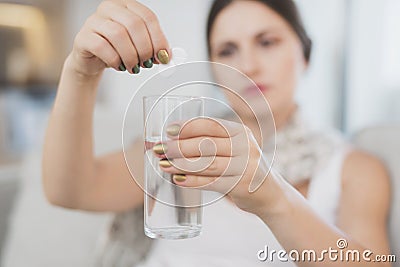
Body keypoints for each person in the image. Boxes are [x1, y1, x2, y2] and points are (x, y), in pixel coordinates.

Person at [42, 0, 392, 266]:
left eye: (267, 42)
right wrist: (79, 73)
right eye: (227, 50)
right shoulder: (178, 143)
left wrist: (274, 198)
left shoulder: (353, 169)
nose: (248, 65)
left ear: (305, 54)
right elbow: (70, 191)